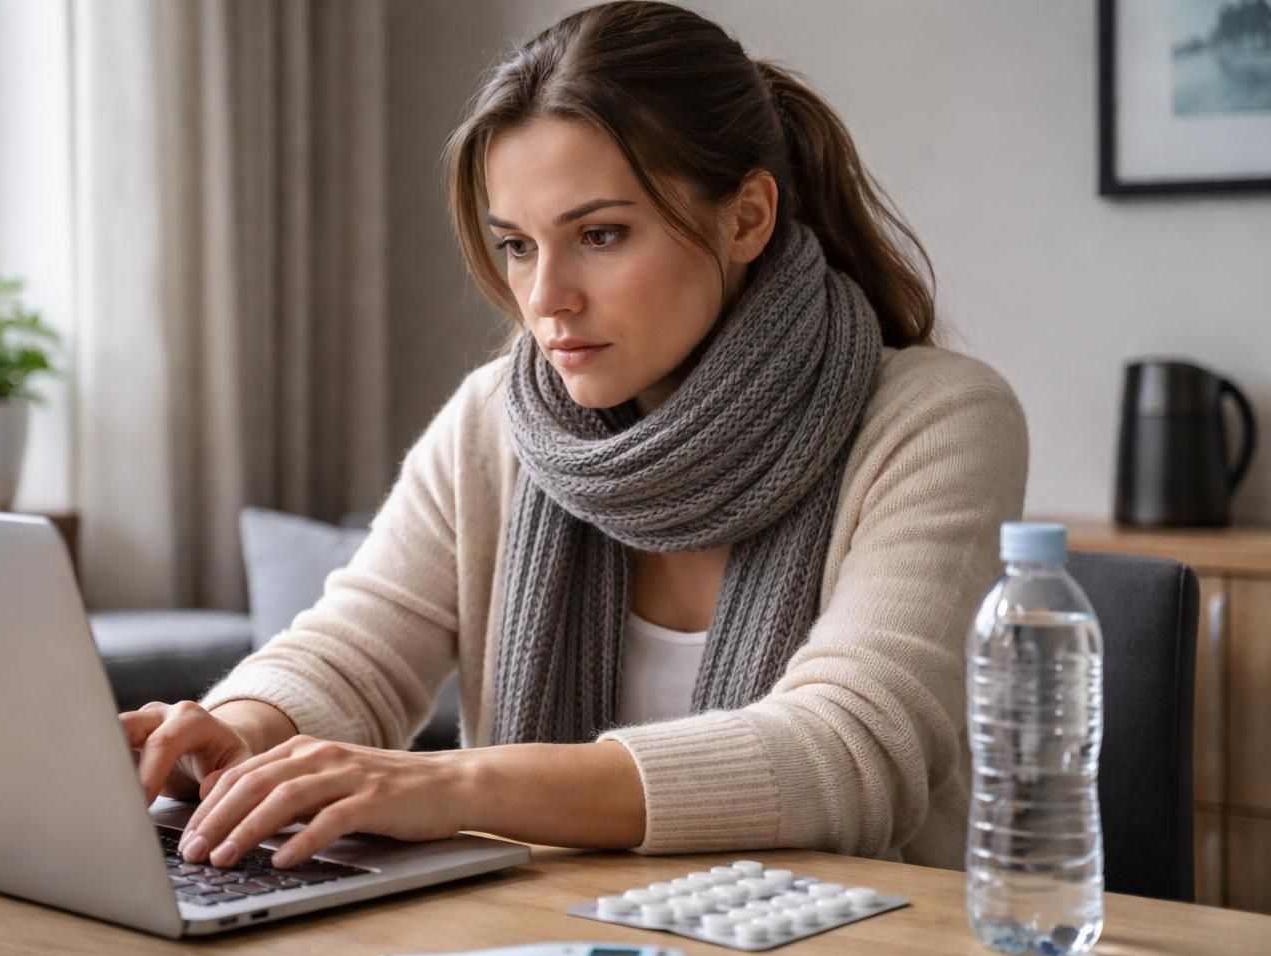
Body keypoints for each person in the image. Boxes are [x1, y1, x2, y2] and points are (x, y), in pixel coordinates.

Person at [122, 0, 1027, 874]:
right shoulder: (494, 419)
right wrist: (239, 728)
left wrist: (455, 784)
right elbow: (354, 650)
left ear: (747, 217)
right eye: (517, 245)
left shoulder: (936, 420)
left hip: (846, 947)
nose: (546, 298)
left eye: (599, 234)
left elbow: (848, 750)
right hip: (544, 942)